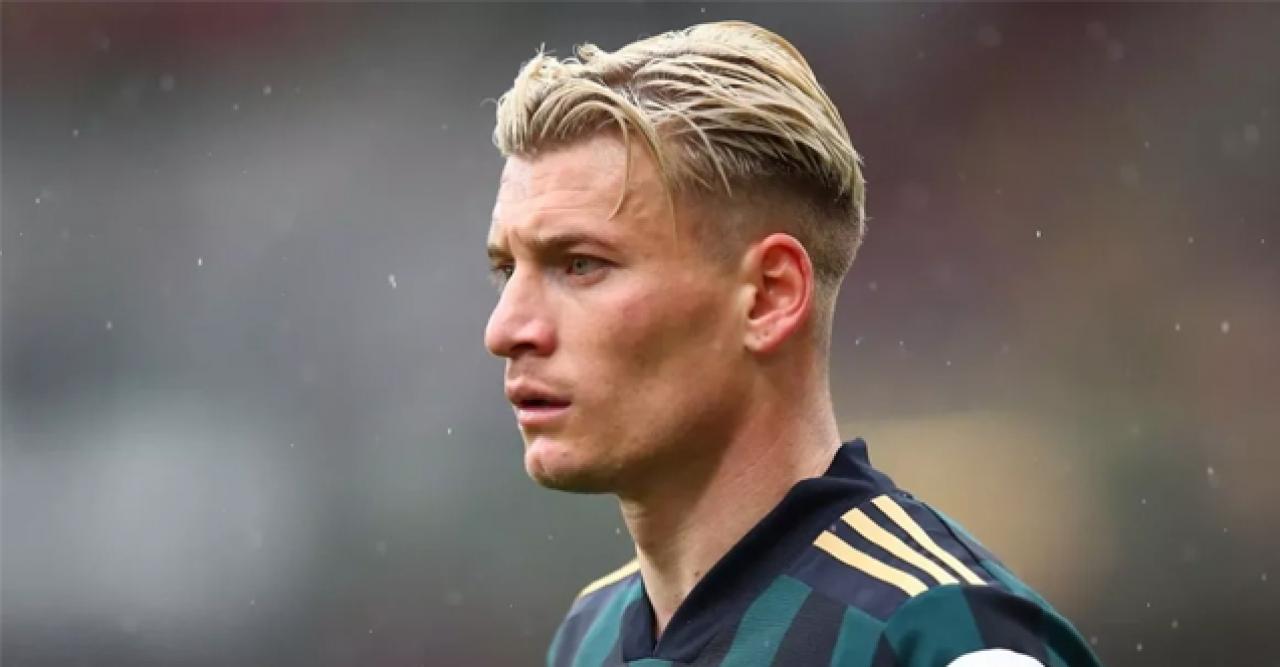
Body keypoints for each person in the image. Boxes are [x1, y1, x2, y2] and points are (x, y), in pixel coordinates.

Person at [483, 21, 1103, 667]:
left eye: (581, 264)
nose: (504, 329)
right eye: (506, 269)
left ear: (769, 296)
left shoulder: (941, 639)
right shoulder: (588, 637)